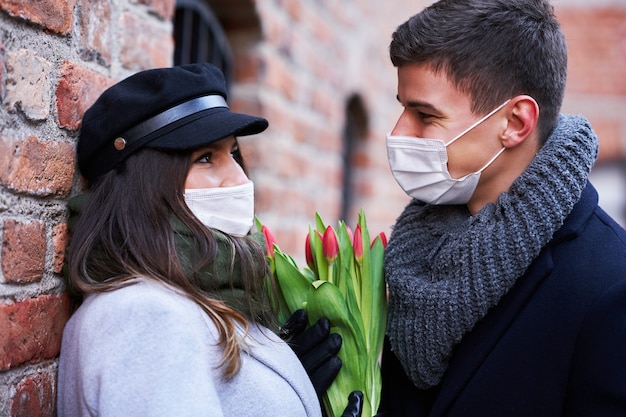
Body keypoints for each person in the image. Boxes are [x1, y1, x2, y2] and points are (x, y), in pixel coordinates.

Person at [57, 63, 362, 417]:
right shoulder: (140, 317)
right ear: (145, 187)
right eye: (205, 158)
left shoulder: (197, 295)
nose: (238, 178)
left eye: (233, 153)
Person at [379, 1, 626, 416]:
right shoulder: (414, 255)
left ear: (515, 122)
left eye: (424, 114)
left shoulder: (609, 286)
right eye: (403, 106)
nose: (399, 132)